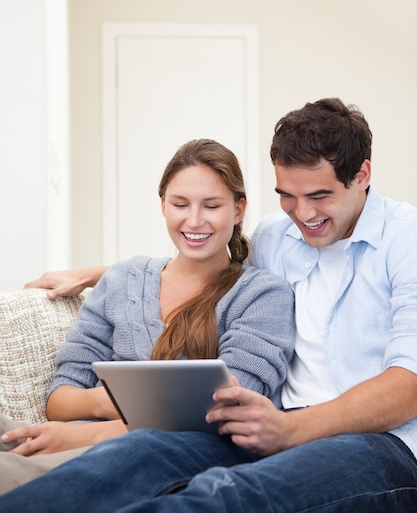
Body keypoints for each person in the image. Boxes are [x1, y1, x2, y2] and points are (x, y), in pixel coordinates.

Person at [2, 97, 417, 512]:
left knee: (225, 496)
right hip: (269, 428)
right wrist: (99, 275)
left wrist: (289, 429)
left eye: (319, 195)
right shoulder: (280, 234)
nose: (303, 213)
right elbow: (203, 258)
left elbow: (409, 386)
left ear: (362, 175)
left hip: (381, 443)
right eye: (287, 195)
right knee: (143, 451)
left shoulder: (405, 241)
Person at [0, 138, 294, 494]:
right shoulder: (123, 280)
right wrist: (116, 401)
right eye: (180, 204)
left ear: (238, 210)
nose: (194, 220)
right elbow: (60, 400)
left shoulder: (262, 295)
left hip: (146, 457)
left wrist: (85, 432)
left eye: (212, 205)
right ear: (163, 206)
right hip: (69, 437)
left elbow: (226, 414)